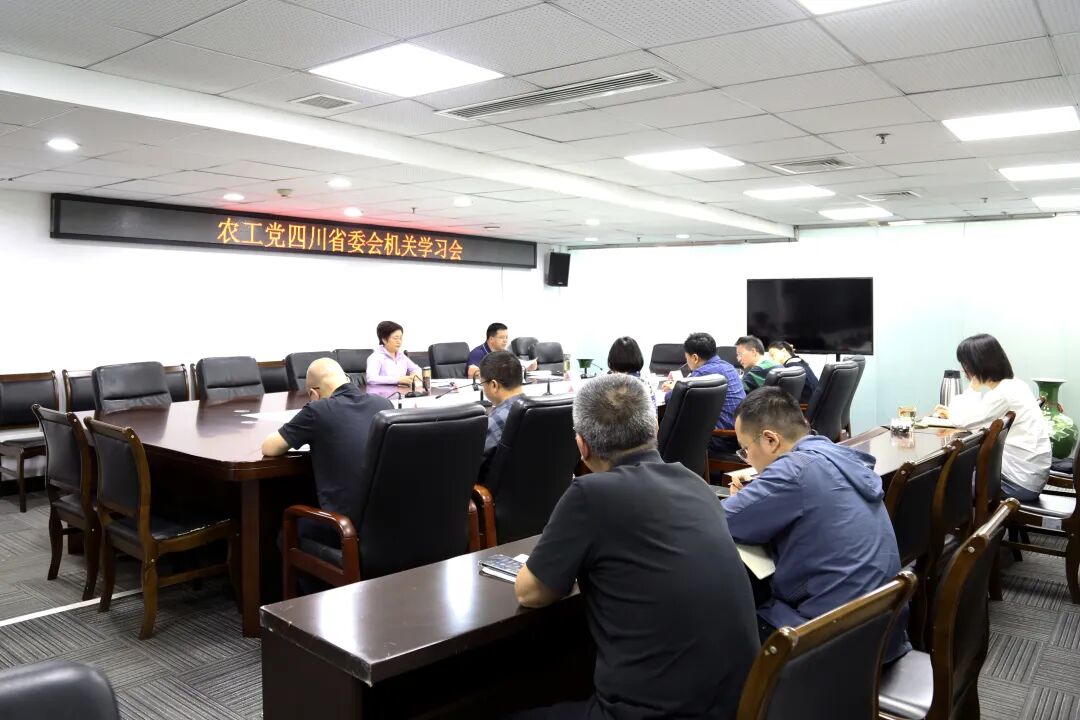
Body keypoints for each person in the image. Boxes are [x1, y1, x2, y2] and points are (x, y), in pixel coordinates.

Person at [514, 374, 759, 720]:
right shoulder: (695, 483)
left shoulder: (589, 496)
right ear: (654, 429)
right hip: (737, 705)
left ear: (582, 446)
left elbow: (531, 592)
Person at [722, 387, 910, 663]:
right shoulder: (839, 455)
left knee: (721, 621)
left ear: (770, 440)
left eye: (745, 450)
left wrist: (741, 500)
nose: (747, 459)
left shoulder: (793, 471)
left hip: (833, 645)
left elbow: (719, 521)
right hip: (883, 631)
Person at [260, 357, 392, 548]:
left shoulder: (317, 410)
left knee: (287, 533)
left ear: (313, 393)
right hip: (388, 528)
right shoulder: (383, 405)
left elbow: (269, 447)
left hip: (345, 531)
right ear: (347, 379)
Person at [933, 333, 1051, 501]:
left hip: (1016, 484)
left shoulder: (1004, 393)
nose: (963, 370)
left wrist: (973, 388)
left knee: (938, 487)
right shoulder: (1016, 385)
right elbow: (976, 419)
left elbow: (963, 421)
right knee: (952, 477)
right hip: (1028, 477)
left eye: (965, 364)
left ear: (977, 364)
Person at [662, 332, 744, 453]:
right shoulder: (729, 367)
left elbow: (671, 398)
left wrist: (674, 388)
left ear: (695, 358)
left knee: (670, 432)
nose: (687, 362)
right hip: (737, 435)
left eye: (687, 358)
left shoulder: (702, 372)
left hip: (719, 438)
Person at [478, 350, 526, 453]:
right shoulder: (541, 410)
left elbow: (475, 459)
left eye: (482, 384)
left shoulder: (494, 421)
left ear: (494, 385)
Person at [467, 323, 537, 379]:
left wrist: (528, 367)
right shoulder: (477, 353)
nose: (505, 340)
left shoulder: (505, 353)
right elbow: (472, 372)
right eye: (502, 337)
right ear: (491, 339)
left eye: (506, 337)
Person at [365, 320, 423, 386]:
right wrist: (398, 380)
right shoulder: (376, 357)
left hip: (402, 391)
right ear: (384, 339)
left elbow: (417, 369)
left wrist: (414, 375)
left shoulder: (401, 356)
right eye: (396, 338)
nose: (399, 342)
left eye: (401, 338)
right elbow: (371, 379)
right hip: (383, 392)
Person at [606, 336, 655, 404]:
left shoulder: (607, 385)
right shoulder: (644, 384)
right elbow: (653, 408)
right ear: (637, 357)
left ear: (612, 358)